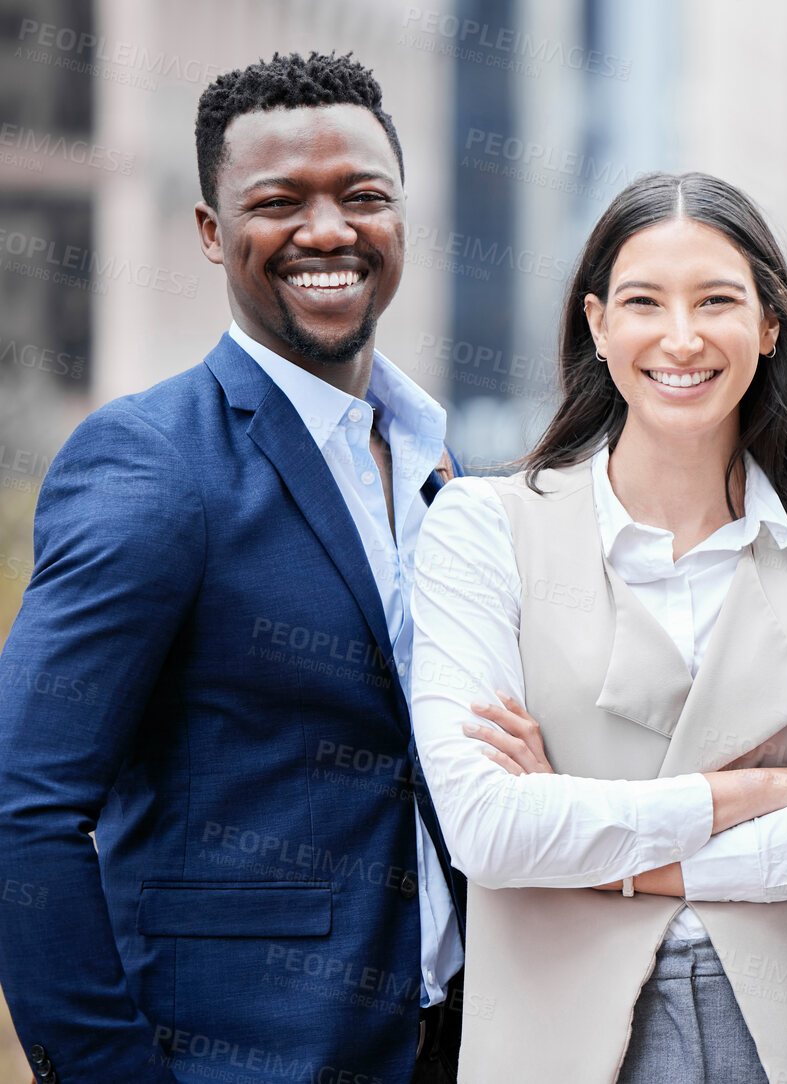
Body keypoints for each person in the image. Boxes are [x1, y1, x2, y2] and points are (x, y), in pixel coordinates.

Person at [0, 53, 467, 1082]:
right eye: (278, 201)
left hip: (447, 1042)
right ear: (213, 234)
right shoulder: (152, 461)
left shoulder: (437, 458)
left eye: (362, 196)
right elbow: (24, 807)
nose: (329, 230)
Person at [409, 171, 787, 1083]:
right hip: (555, 1045)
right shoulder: (485, 526)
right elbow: (485, 827)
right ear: (596, 325)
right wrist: (767, 790)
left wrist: (606, 845)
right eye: (644, 302)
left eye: (717, 300)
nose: (681, 337)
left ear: (768, 325)